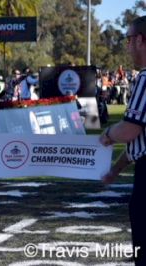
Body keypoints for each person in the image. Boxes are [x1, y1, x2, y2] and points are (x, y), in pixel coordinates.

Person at [100, 16, 146, 265]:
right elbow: (140, 142)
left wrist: (107, 135)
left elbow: (130, 130)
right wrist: (116, 169)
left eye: (129, 39)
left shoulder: (145, 78)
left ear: (140, 40)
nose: (127, 46)